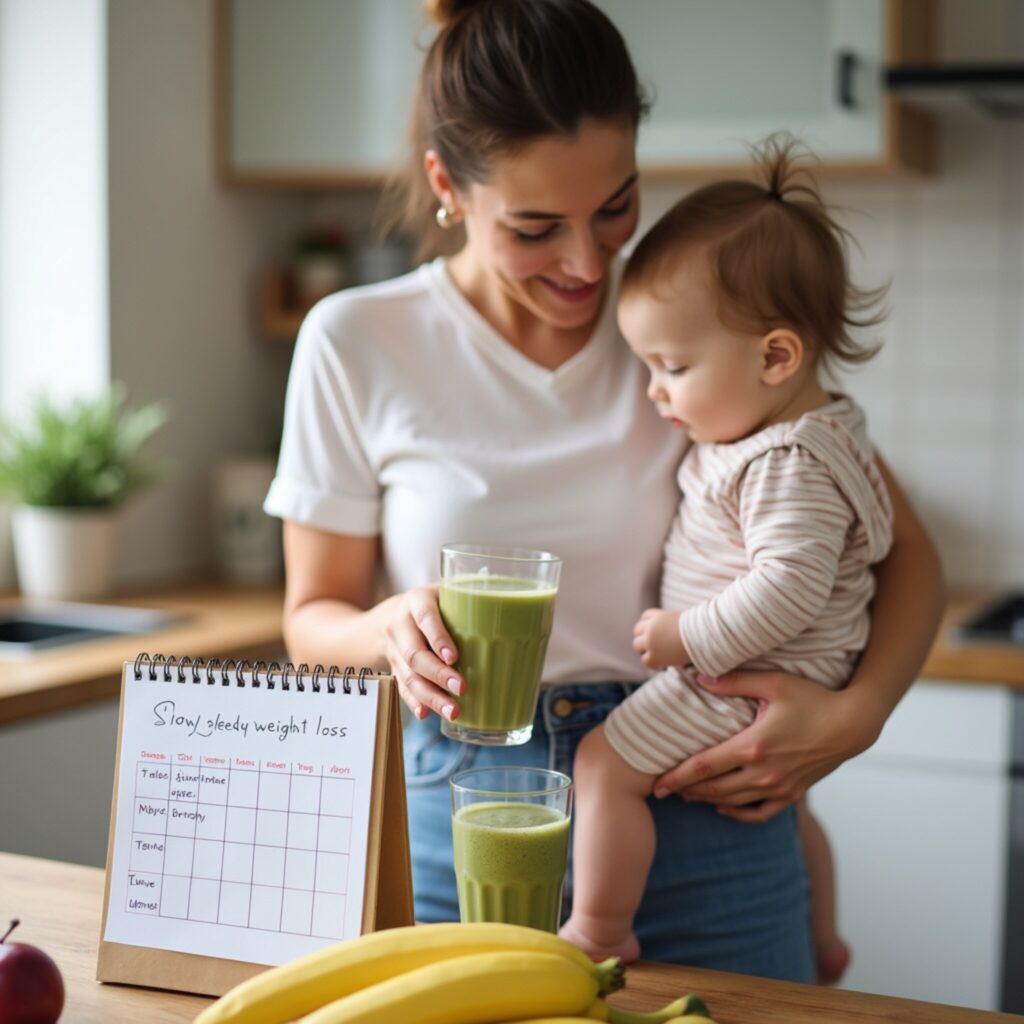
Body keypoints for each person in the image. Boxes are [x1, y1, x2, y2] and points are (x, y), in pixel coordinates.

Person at [263, 0, 945, 982]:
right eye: (536, 227)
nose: (587, 263)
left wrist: (858, 715)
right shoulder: (356, 342)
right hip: (466, 798)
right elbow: (310, 621)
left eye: (615, 207)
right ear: (447, 186)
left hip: (697, 784)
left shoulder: (689, 316)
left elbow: (903, 549)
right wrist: (390, 627)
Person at [559, 137, 884, 986]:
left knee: (603, 766)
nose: (654, 391)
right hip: (778, 664)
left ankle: (598, 929)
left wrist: (686, 636)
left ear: (776, 357)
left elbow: (789, 584)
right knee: (787, 808)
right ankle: (824, 935)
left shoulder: (783, 462)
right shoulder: (809, 425)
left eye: (672, 367)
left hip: (745, 669)